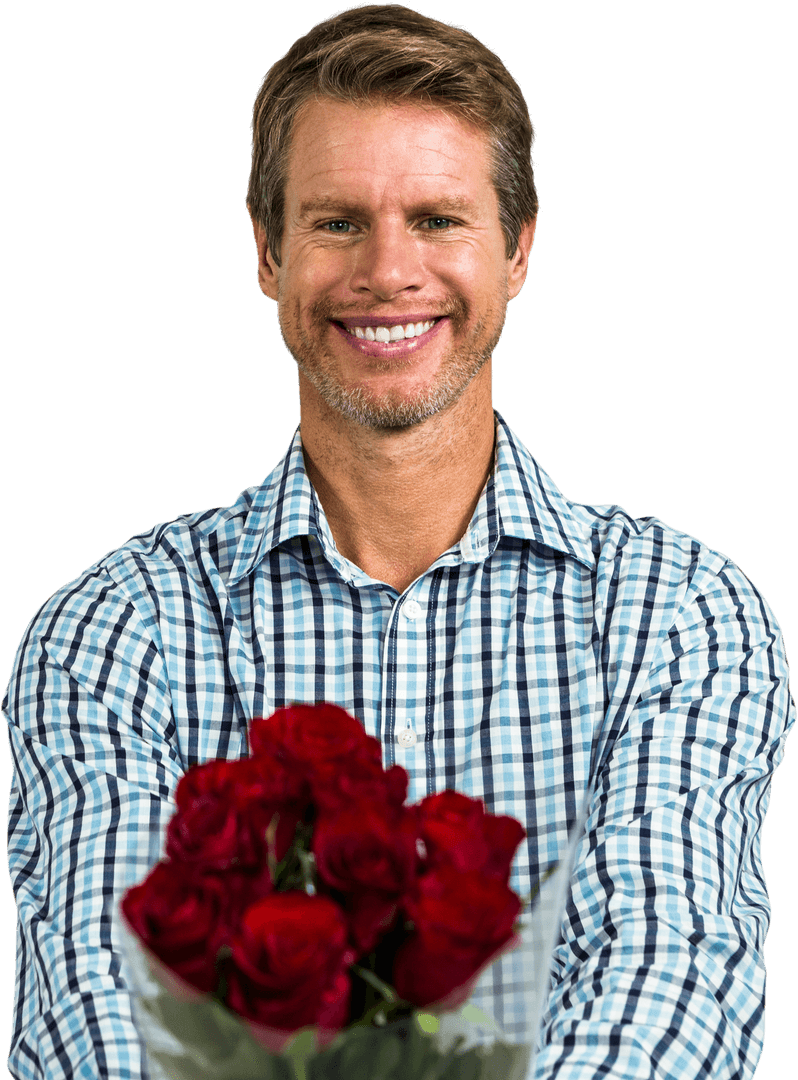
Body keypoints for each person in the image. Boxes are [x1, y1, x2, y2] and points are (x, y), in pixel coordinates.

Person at [4, 5, 794, 1079]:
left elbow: (673, 979)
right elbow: (104, 1011)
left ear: (517, 248)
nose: (388, 270)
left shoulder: (675, 611)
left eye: (436, 219)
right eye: (336, 222)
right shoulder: (115, 631)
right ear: (265, 249)